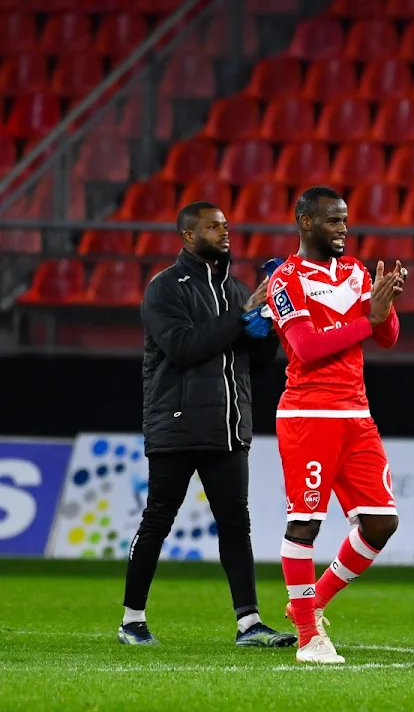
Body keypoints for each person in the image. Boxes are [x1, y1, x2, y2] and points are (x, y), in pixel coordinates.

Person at [125, 201, 292, 648]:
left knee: (236, 525)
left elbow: (253, 364)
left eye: (225, 225)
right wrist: (241, 318)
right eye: (213, 226)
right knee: (157, 521)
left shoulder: (238, 290)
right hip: (176, 425)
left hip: (229, 424)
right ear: (187, 235)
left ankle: (249, 623)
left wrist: (266, 329)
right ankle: (132, 619)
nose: (225, 232)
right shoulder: (165, 288)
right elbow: (182, 347)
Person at [267, 186, 404, 665]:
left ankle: (312, 602)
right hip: (308, 414)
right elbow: (304, 347)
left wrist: (383, 310)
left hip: (356, 414)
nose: (343, 229)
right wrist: (370, 320)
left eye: (345, 220)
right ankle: (309, 639)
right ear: (306, 223)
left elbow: (386, 337)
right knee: (304, 524)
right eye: (333, 221)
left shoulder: (355, 272)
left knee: (382, 522)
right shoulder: (286, 280)